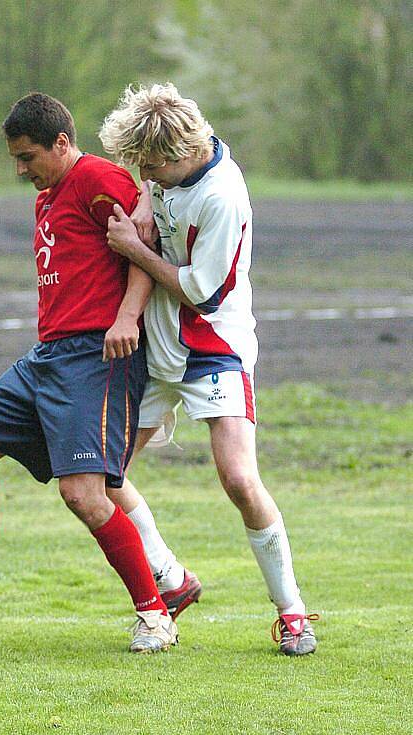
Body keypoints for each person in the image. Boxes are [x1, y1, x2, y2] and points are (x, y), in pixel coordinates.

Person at [0, 92, 199, 653]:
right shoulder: (49, 193)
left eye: (28, 157)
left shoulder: (99, 180)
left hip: (96, 358)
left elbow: (143, 249)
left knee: (85, 494)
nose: (21, 170)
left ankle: (155, 614)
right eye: (15, 160)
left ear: (62, 143)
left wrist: (126, 317)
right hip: (47, 357)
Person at [99, 83, 319, 656]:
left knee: (240, 481)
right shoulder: (172, 159)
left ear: (177, 155)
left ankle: (292, 612)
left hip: (213, 345)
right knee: (105, 472)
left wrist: (132, 247)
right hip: (157, 345)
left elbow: (204, 294)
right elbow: (152, 197)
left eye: (149, 168)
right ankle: (172, 580)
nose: (144, 174)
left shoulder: (222, 196)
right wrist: (145, 201)